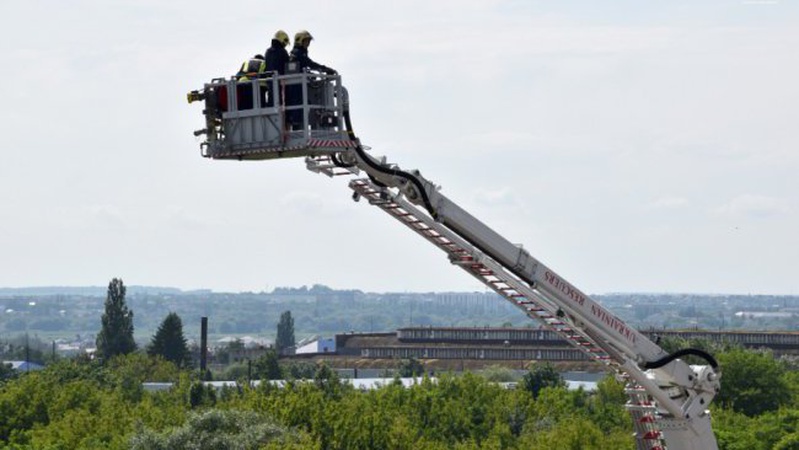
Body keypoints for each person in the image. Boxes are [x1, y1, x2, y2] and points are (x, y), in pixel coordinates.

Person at [286, 30, 336, 129]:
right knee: (299, 105)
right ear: (300, 41)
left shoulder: (299, 53)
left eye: (308, 41)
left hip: (297, 84)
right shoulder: (298, 53)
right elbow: (309, 63)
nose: (308, 44)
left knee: (303, 105)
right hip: (295, 85)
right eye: (306, 41)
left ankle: (299, 127)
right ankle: (297, 128)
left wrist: (310, 74)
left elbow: (304, 66)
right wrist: (324, 68)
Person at [263, 30, 290, 107]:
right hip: (280, 83)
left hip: (270, 82)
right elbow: (287, 66)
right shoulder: (282, 52)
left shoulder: (267, 52)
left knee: (271, 100)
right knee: (281, 102)